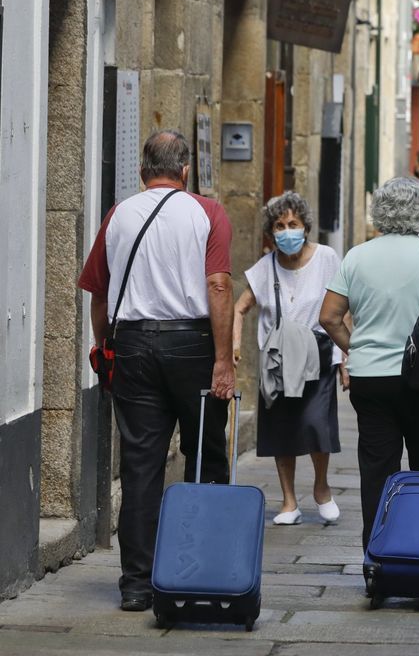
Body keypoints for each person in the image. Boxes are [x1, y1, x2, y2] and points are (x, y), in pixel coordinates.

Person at [77, 130, 235, 611]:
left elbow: (99, 293)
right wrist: (224, 361)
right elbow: (219, 285)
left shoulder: (119, 214)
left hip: (135, 346)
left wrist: (105, 345)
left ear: (143, 170)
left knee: (140, 466)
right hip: (191, 345)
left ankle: (137, 585)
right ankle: (202, 569)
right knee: (205, 453)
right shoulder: (208, 212)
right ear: (184, 170)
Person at [319, 178, 419, 548]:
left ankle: (377, 557)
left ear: (380, 212)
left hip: (370, 379)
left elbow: (329, 317)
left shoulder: (357, 255)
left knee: (377, 473)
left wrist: (355, 347)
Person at [232, 191, 342, 525]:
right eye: (279, 225)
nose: (287, 230)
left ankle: (321, 487)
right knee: (281, 428)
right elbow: (240, 307)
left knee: (315, 423)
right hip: (277, 360)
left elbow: (342, 309)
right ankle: (289, 502)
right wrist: (234, 346)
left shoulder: (326, 258)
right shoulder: (265, 268)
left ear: (305, 226)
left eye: (292, 223)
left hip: (317, 354)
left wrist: (344, 358)